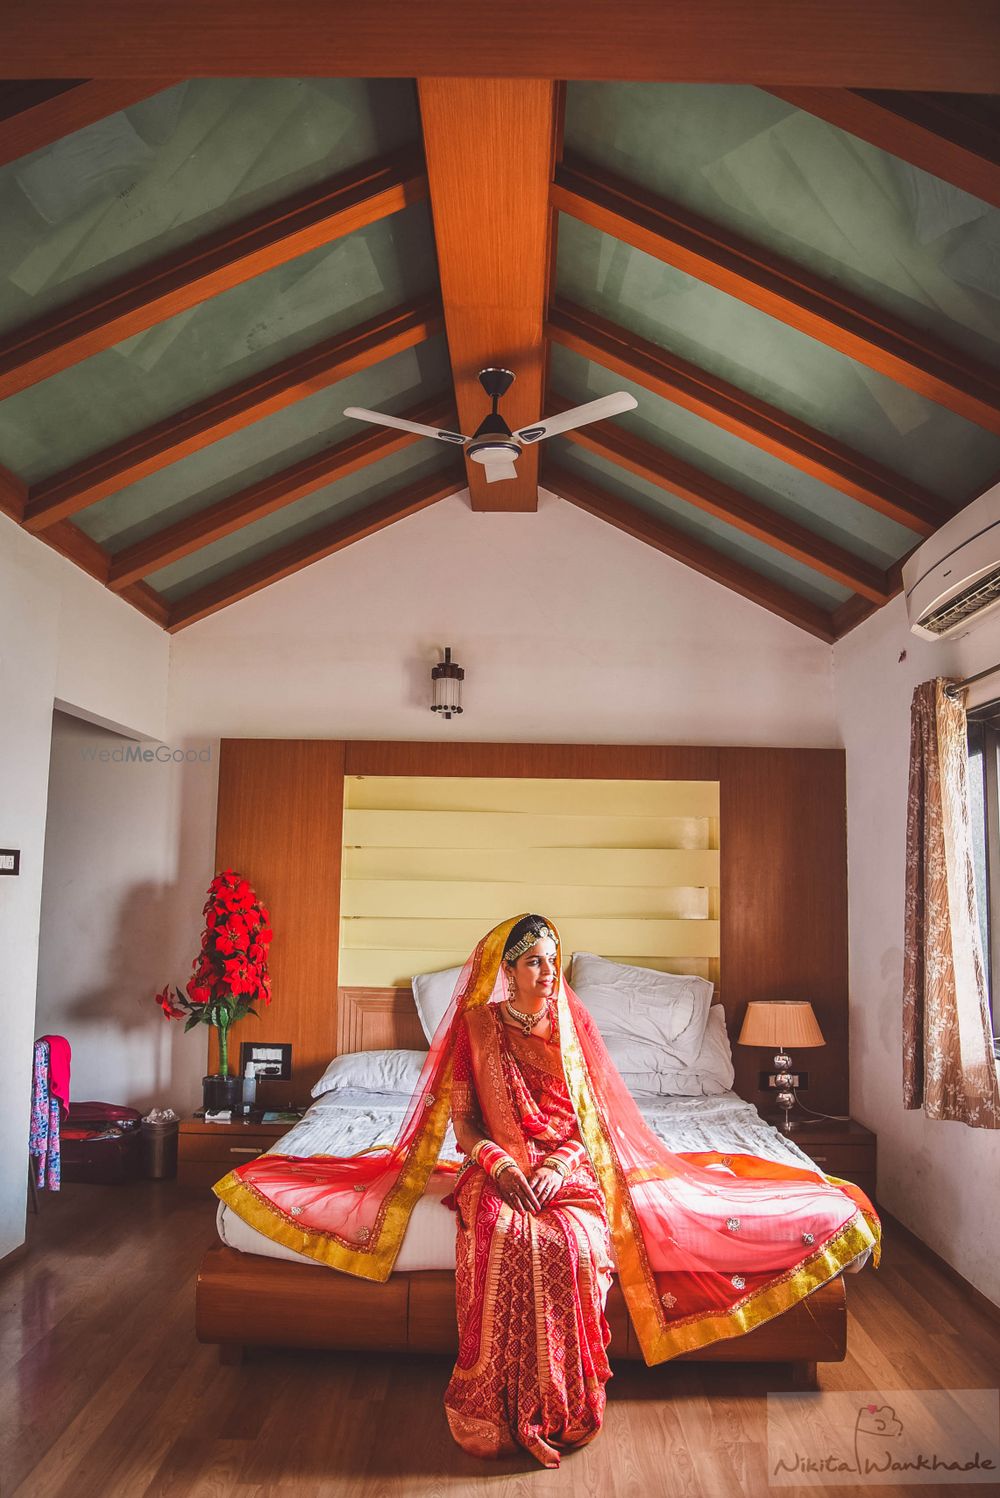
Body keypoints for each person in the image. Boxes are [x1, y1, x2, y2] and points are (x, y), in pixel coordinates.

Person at [214, 913, 881, 1470]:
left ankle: (559, 1403)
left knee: (568, 1236)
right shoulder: (476, 1029)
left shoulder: (575, 1032)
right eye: (534, 961)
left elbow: (589, 1123)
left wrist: (559, 1167)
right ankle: (495, 1402)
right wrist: (501, 1165)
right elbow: (466, 1123)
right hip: (497, 1166)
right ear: (507, 968)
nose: (547, 973)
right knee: (503, 1229)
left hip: (571, 1168)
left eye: (553, 961)